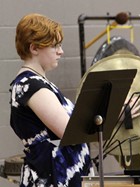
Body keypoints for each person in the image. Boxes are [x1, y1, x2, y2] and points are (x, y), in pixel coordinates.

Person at [9, 13, 95, 187]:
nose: (60, 51)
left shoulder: (42, 83)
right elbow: (70, 131)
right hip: (52, 178)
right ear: (34, 48)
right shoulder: (30, 85)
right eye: (55, 46)